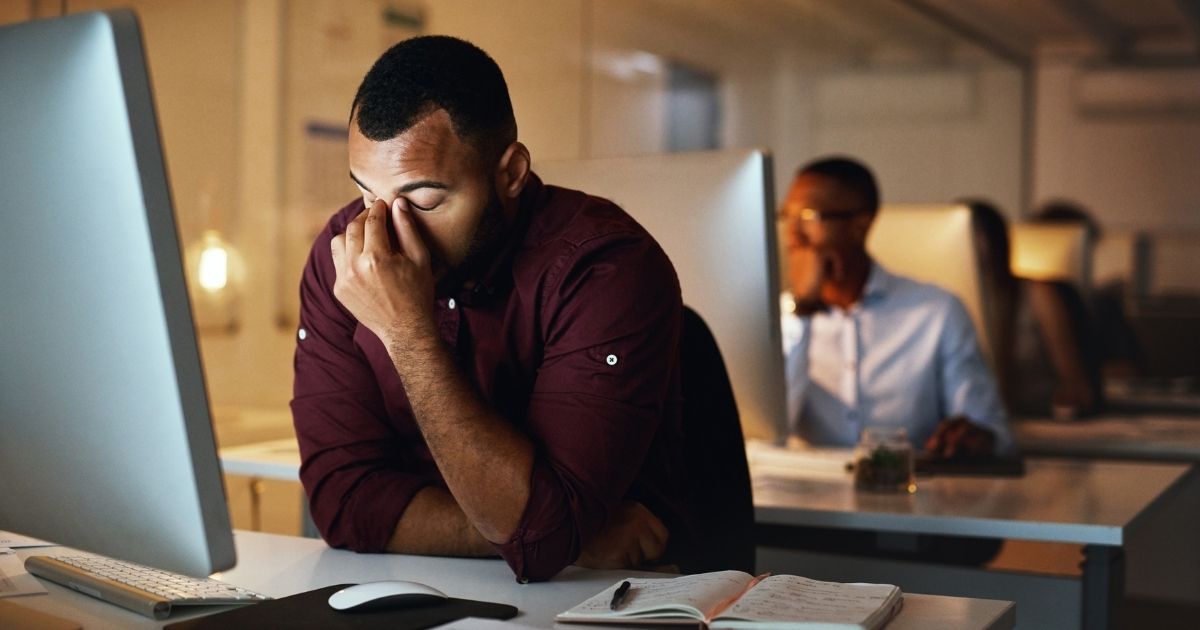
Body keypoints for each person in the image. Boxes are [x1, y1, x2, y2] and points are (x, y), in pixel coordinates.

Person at [290, 35, 690, 582]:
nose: (382, 232)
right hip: (426, 591)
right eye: (366, 194)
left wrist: (406, 331)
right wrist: (563, 534)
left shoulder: (607, 268)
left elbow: (542, 540)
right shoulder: (342, 254)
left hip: (605, 599)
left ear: (510, 173)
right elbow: (343, 502)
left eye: (424, 200)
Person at [779, 157, 1013, 458]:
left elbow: (995, 434)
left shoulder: (936, 311)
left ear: (860, 224)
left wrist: (975, 439)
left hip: (908, 492)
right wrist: (804, 310)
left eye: (809, 216)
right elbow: (769, 434)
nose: (792, 234)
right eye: (787, 216)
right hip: (804, 495)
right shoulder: (780, 318)